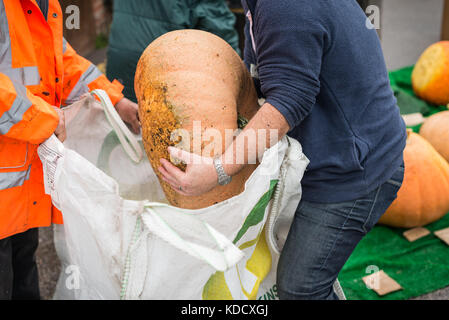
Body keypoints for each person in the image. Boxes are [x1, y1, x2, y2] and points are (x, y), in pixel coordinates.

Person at [158, 0, 407, 299]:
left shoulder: (285, 5)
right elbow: (265, 81)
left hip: (353, 172)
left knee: (301, 290)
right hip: (332, 154)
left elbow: (290, 98)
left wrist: (219, 170)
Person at [0, 0, 139, 300]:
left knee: (24, 273)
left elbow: (64, 62)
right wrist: (48, 119)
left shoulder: (45, 5)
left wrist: (115, 101)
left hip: (19, 184)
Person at [106, 0, 241, 103]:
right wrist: (241, 83)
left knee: (123, 133)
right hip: (162, 79)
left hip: (119, 73)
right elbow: (222, 42)